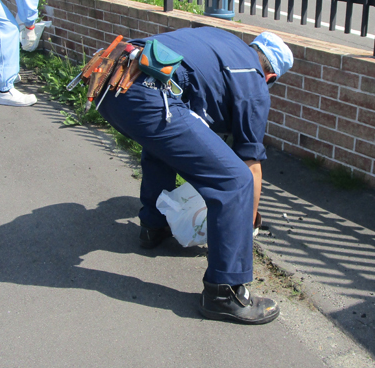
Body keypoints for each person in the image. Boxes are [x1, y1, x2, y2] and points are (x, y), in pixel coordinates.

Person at [96, 27, 294, 325]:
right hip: (148, 88)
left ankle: (154, 225)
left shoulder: (224, 41)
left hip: (111, 76)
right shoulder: (254, 81)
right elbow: (250, 165)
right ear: (271, 77)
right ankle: (224, 293)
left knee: (162, 145)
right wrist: (245, 222)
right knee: (234, 181)